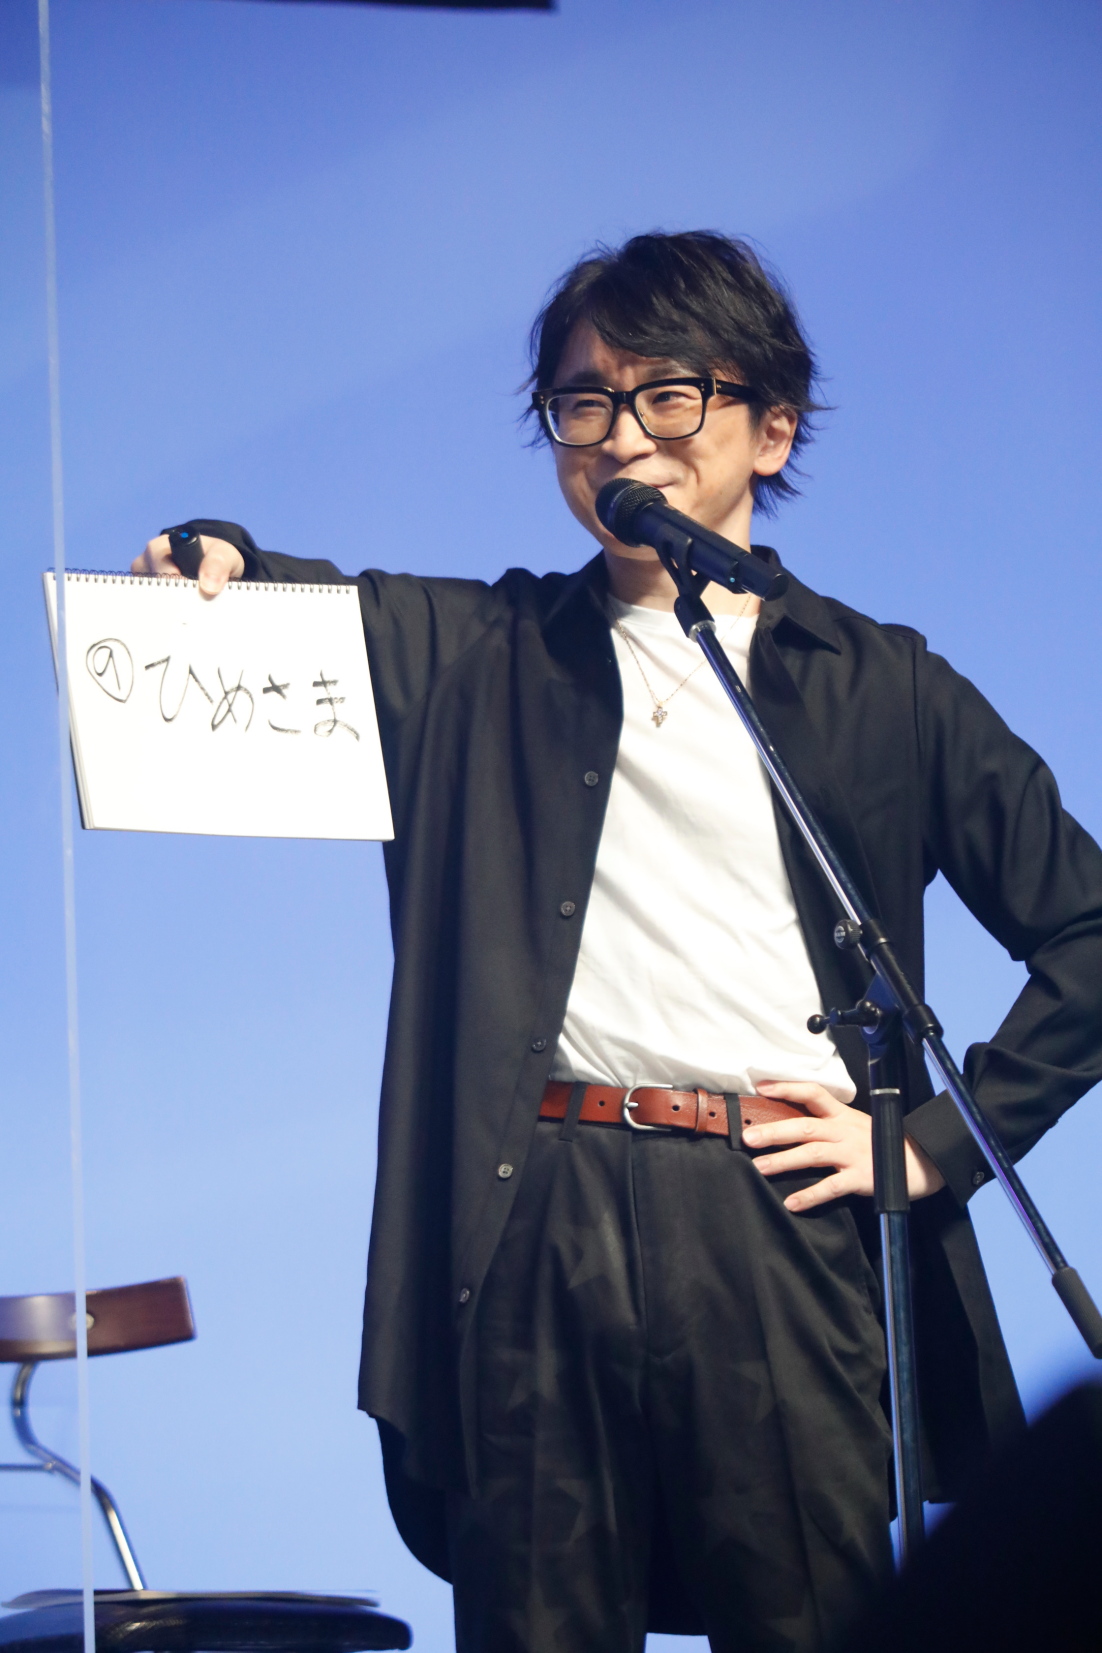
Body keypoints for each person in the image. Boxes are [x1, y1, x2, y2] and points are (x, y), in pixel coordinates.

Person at [133, 232, 1102, 1653]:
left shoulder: (879, 683)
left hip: (776, 1213)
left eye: (668, 396)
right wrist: (211, 552)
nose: (621, 437)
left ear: (771, 428)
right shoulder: (482, 651)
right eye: (583, 402)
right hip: (539, 1210)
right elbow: (272, 598)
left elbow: (1089, 929)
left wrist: (937, 1144)